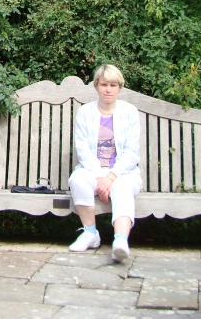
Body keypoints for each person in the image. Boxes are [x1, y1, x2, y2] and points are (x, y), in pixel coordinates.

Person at [68, 64, 141, 262]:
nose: (108, 89)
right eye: (104, 85)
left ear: (119, 87)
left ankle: (120, 241)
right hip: (94, 171)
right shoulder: (85, 112)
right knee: (77, 180)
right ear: (96, 86)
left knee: (122, 187)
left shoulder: (130, 112)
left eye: (113, 85)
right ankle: (90, 233)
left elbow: (131, 153)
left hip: (123, 173)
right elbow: (82, 149)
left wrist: (111, 177)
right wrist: (101, 176)